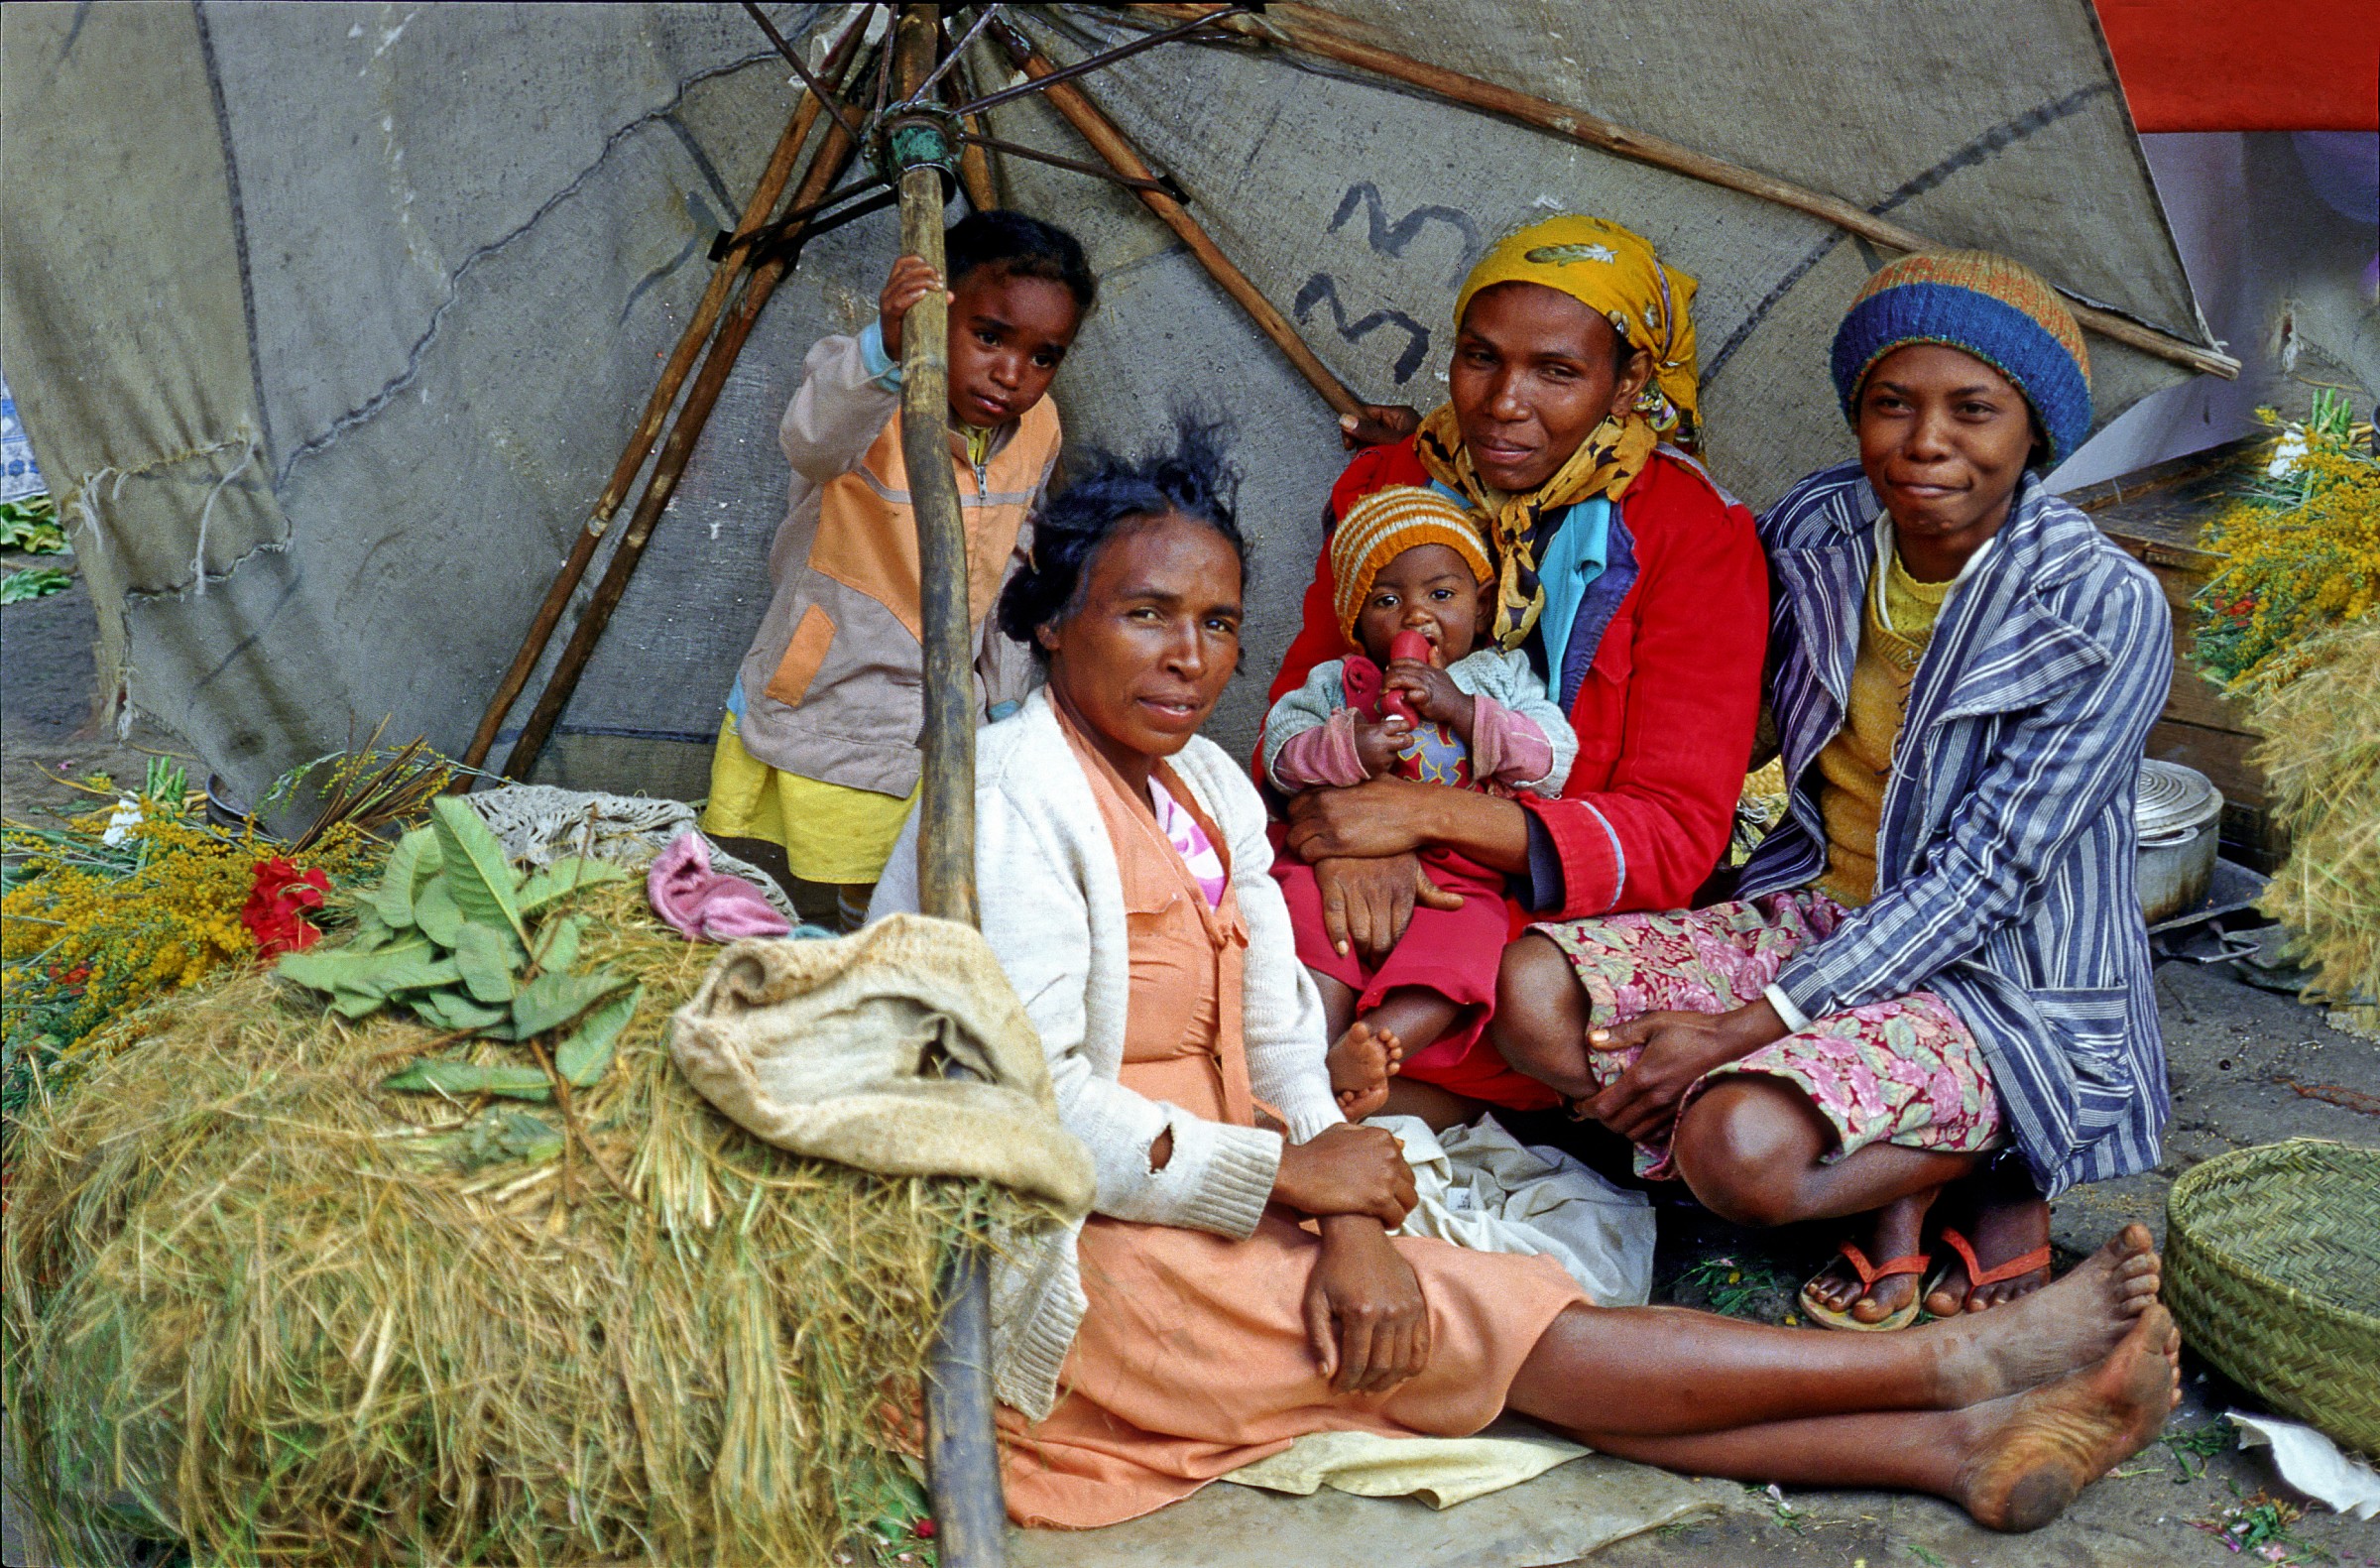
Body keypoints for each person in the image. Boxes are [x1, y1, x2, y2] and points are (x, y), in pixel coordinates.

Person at [872, 426, 2179, 1535]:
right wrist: (1288, 1184)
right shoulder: (1004, 803)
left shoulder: (1211, 790)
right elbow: (1025, 1112)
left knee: (1480, 1330)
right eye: (1144, 614)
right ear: (1050, 621)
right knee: (1517, 1338)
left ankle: (1952, 1448)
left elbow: (1280, 1057)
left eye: (1218, 622)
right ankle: (1959, 1371)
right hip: (1075, 1246)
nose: (1189, 658)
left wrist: (1351, 1222)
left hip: (1215, 1195)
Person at [1493, 253, 2175, 1331]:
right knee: (1533, 991)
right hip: (1815, 908)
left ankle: (1961, 1166)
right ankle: (1892, 1162)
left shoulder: (2102, 607)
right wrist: (1461, 482)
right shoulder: (1821, 529)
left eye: (1974, 411)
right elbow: (1714, 668)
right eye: (1890, 404)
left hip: (1998, 980)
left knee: (1733, 1147)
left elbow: (1984, 880)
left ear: (2035, 434)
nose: (1927, 442)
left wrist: (1732, 1030)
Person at [1264, 213, 1768, 1123]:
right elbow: (1303, 700)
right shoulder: (1389, 485)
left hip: (1547, 914)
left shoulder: (1694, 535)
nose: (1502, 401)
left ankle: (1345, 1087)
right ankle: (1353, 1085)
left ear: (1629, 385)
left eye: (1558, 371)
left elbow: (1676, 834)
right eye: (1480, 357)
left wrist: (1413, 815)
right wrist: (1342, 837)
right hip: (1358, 845)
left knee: (1515, 993)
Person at [701, 210, 1093, 929]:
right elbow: (809, 442)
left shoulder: (1038, 428)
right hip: (836, 681)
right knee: (837, 867)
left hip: (945, 706)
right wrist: (886, 348)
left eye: (1044, 357)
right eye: (989, 337)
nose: (1012, 374)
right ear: (936, 315)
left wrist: (1005, 700)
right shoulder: (867, 388)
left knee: (912, 886)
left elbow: (1016, 563)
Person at [1259, 485, 1576, 1117]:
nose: (1415, 616)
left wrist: (1461, 710)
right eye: (1387, 600)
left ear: (1482, 608)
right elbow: (1280, 756)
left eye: (1441, 594)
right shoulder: (1336, 682)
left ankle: (1375, 1048)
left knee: (1467, 953)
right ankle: (1307, 1057)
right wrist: (1349, 747)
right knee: (1303, 917)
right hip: (1337, 860)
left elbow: (1552, 762)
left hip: (1461, 876)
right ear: (1356, 622)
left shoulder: (1500, 677)